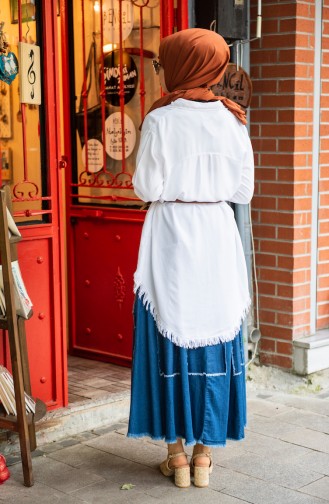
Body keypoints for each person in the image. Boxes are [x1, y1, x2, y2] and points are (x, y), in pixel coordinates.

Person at [127, 28, 254, 489]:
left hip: (171, 233)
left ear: (179, 66)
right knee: (215, 337)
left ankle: (176, 458)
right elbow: (244, 191)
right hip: (217, 233)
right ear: (213, 69)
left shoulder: (161, 119)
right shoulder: (233, 119)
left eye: (162, 65)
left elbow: (145, 188)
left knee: (171, 336)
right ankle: (204, 459)